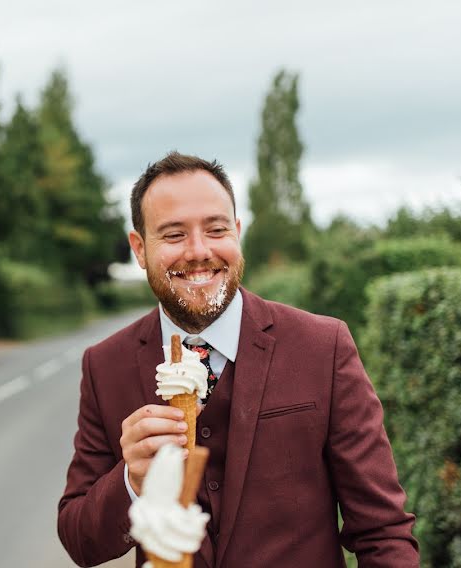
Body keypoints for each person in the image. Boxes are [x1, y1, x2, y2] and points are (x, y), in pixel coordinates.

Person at [57, 152, 419, 567]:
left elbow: (382, 530)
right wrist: (131, 479)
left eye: (216, 229)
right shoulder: (105, 366)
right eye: (174, 235)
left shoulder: (323, 346)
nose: (199, 251)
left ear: (237, 232)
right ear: (139, 249)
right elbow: (78, 540)